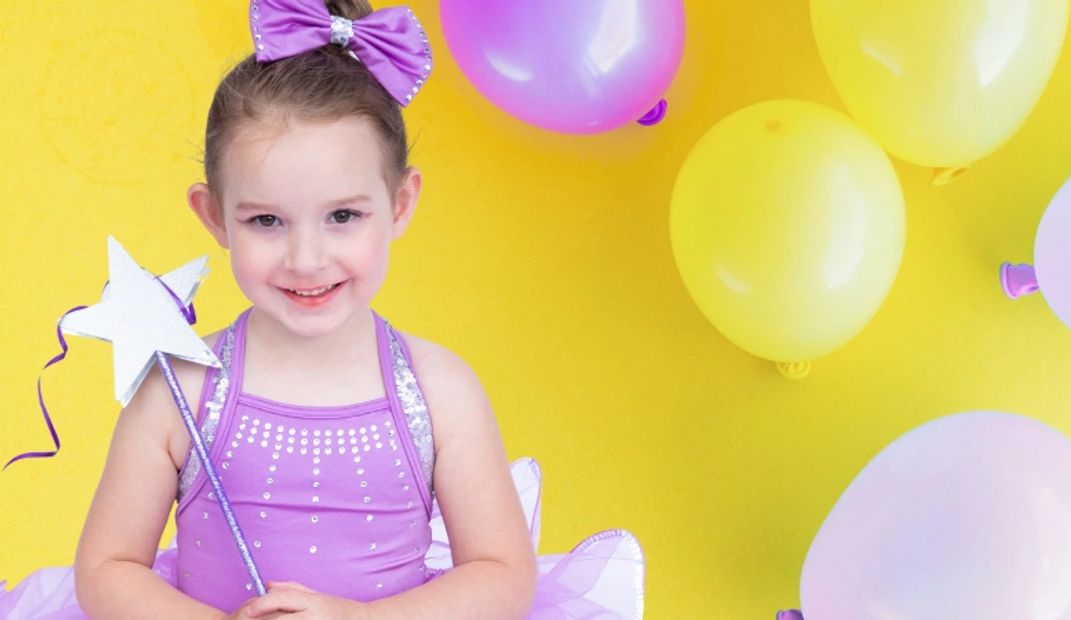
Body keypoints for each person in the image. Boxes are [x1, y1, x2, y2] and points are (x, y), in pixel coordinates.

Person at [0, 1, 643, 618]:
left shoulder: (440, 390)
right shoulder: (181, 389)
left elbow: (502, 575)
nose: (306, 258)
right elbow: (107, 569)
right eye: (266, 220)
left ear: (400, 203)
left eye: (342, 216)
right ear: (213, 215)